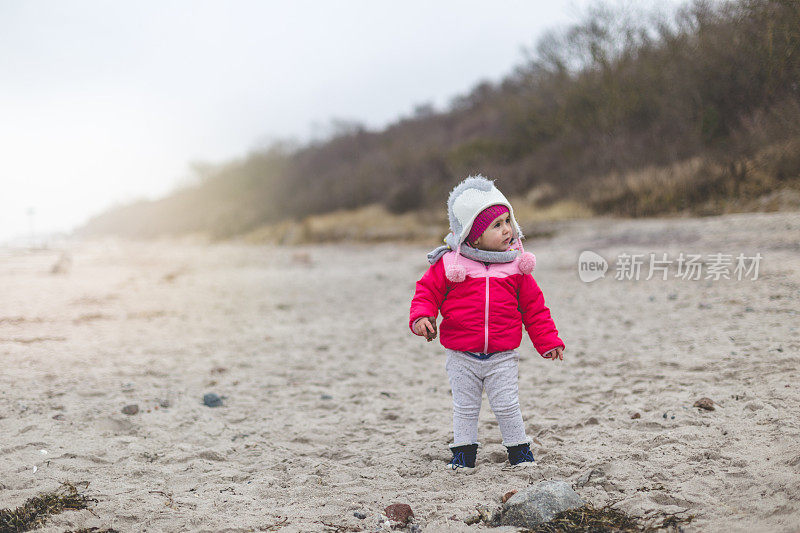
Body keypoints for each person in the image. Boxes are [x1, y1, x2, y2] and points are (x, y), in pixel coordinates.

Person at [409, 175, 565, 473]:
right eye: (497, 225)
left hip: (502, 355)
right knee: (465, 407)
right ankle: (464, 454)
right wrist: (422, 317)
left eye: (508, 220)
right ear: (473, 234)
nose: (507, 229)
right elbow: (426, 292)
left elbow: (534, 308)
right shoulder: (451, 265)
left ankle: (520, 452)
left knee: (507, 404)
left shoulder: (516, 267)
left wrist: (549, 342)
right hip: (461, 355)